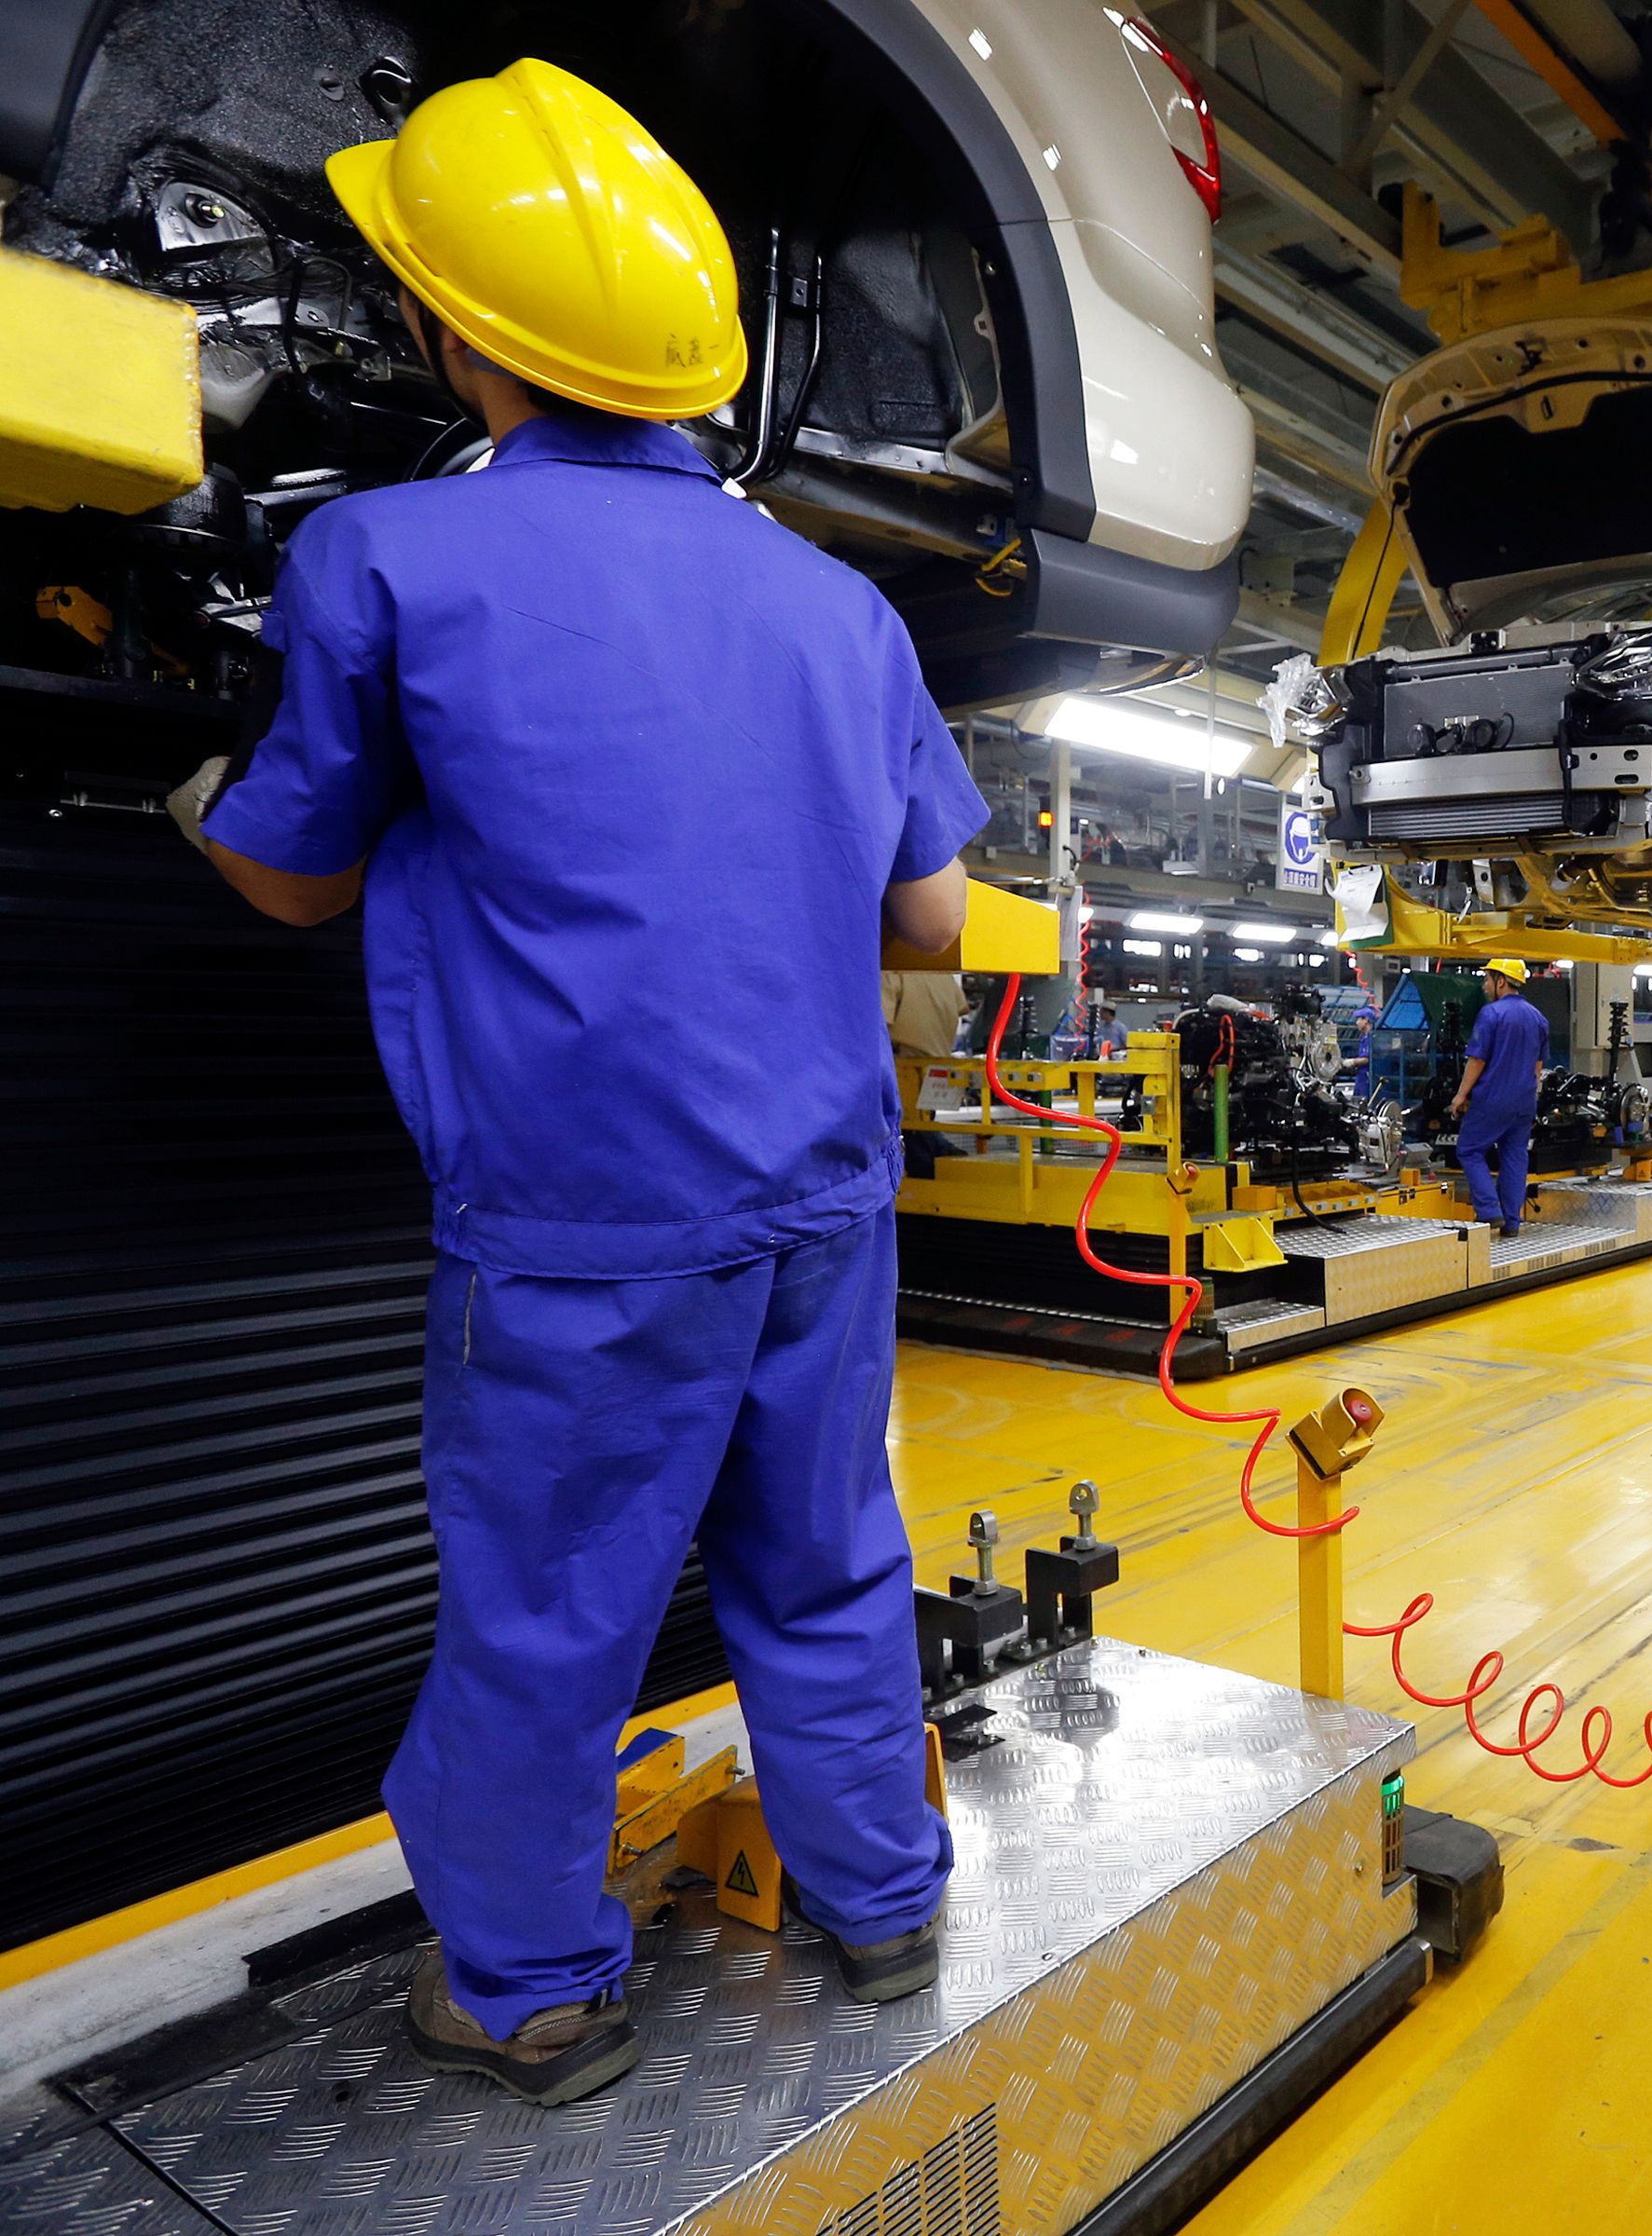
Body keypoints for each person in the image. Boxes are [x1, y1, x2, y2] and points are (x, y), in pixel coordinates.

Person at [157, 62, 977, 2105]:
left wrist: (193, 793)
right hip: (823, 1199)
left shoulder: (382, 557)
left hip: (584, 1221)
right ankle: (884, 1906)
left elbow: (292, 874)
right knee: (829, 1558)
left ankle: (529, 1989)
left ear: (454, 332)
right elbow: (936, 921)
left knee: (551, 1612)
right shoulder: (840, 603)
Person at [1448, 958, 1548, 1237]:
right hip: (1524, 1101)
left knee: (1469, 1150)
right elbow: (1538, 1066)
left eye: (1487, 979)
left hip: (1493, 1099)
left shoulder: (1491, 1014)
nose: (1484, 985)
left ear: (1500, 981)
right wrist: (1531, 1098)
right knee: (1515, 1156)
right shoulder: (1538, 1017)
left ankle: (1490, 1211)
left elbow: (1477, 1060)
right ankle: (1512, 1223)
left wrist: (1460, 1095)